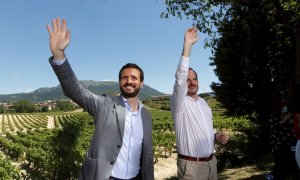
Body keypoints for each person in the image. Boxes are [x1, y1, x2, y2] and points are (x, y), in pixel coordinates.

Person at [46, 17, 154, 180]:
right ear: (119, 82)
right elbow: (75, 90)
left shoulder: (146, 115)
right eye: (124, 78)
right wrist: (59, 55)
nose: (129, 81)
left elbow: (146, 155)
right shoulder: (104, 105)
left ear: (142, 84)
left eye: (134, 78)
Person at [170, 27, 229, 180]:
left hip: (211, 163)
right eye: (188, 80)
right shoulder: (179, 103)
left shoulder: (204, 103)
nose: (191, 82)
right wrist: (187, 46)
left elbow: (207, 129)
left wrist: (216, 136)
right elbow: (180, 79)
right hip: (191, 168)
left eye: (194, 79)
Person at [267, 98, 299, 179]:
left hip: (290, 145)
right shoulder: (273, 117)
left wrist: (292, 121)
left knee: (293, 166)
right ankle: (271, 177)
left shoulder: (289, 115)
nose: (285, 107)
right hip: (278, 147)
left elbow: (294, 127)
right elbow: (273, 128)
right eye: (283, 106)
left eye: (285, 105)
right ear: (278, 107)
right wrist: (284, 120)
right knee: (280, 166)